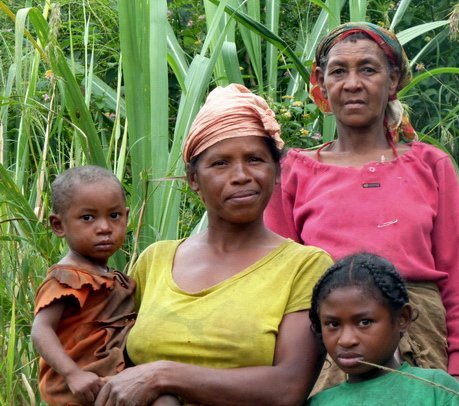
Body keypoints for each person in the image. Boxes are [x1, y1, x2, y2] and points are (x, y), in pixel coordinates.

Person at [265, 21, 459, 397]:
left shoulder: (430, 165)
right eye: (338, 71)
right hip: (330, 350)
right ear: (320, 82)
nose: (352, 84)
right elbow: (278, 284)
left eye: (367, 69)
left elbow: (457, 276)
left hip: (421, 340)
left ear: (393, 79)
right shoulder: (293, 171)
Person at [94, 84, 334, 405]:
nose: (241, 176)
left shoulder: (305, 266)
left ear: (277, 171)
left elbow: (288, 388)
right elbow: (111, 359)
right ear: (193, 179)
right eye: (220, 163)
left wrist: (163, 374)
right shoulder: (154, 261)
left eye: (254, 159)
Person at [31, 166, 137, 405]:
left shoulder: (114, 278)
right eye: (87, 218)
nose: (104, 228)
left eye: (114, 216)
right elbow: (41, 329)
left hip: (109, 384)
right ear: (59, 225)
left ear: (127, 217)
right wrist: (72, 373)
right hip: (79, 389)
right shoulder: (68, 278)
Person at [307, 253, 459, 405]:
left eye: (364, 322)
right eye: (333, 324)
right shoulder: (318, 403)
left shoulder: (437, 388)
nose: (346, 340)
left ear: (402, 318)